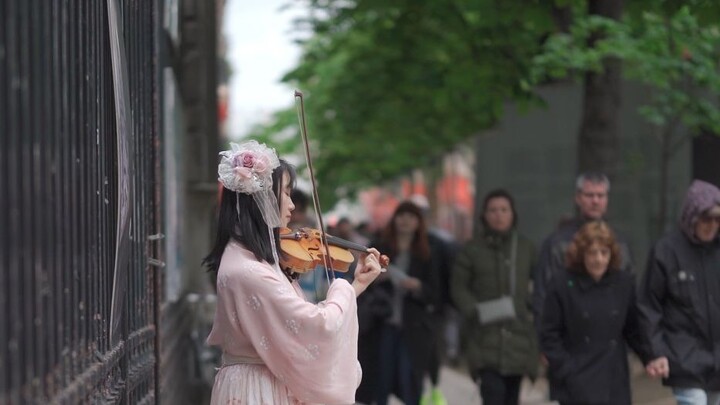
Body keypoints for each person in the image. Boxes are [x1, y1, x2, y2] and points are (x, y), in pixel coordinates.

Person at [203, 140, 384, 405]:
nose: (291, 206)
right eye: (286, 193)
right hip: (258, 389)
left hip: (261, 382)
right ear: (262, 197)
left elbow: (299, 321)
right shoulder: (249, 269)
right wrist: (344, 287)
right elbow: (317, 324)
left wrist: (357, 284)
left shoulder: (248, 258)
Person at [540, 220, 647, 405]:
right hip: (576, 379)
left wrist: (651, 357)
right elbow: (549, 335)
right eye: (592, 253)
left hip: (614, 378)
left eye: (604, 252)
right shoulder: (561, 284)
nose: (598, 259)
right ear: (581, 254)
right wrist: (566, 370)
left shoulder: (623, 283)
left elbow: (633, 329)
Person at [451, 189, 539, 405]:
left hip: (519, 338)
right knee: (492, 394)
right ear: (484, 215)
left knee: (511, 397)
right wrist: (475, 311)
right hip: (484, 338)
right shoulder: (472, 250)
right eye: (493, 210)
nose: (498, 215)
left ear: (512, 214)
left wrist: (529, 305)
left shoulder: (526, 248)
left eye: (503, 210)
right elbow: (458, 287)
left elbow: (541, 285)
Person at [639, 179, 720, 405]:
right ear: (692, 216)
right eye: (706, 218)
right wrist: (656, 352)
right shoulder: (666, 251)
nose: (712, 225)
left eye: (718, 219)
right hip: (683, 357)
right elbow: (649, 305)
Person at [356, 201, 442, 405]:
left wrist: (417, 286)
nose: (405, 220)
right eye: (401, 215)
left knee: (409, 377)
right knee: (381, 377)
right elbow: (363, 279)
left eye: (411, 217)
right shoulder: (382, 246)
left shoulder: (427, 251)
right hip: (383, 321)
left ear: (418, 222)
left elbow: (435, 292)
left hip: (414, 325)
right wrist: (377, 279)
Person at [533, 172, 634, 332]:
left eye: (600, 195)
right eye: (589, 195)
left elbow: (629, 293)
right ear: (578, 198)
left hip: (610, 336)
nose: (595, 201)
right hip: (569, 335)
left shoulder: (619, 242)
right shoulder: (557, 243)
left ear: (607, 199)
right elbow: (543, 296)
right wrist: (546, 341)